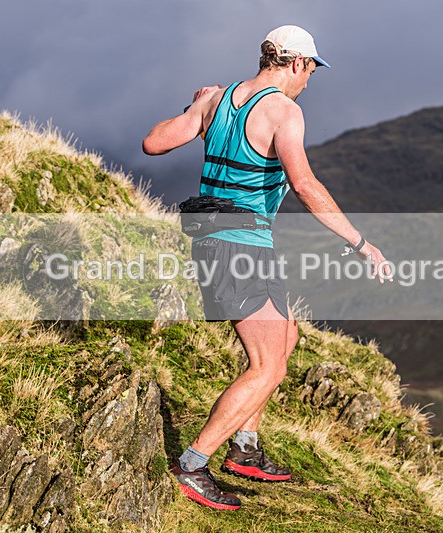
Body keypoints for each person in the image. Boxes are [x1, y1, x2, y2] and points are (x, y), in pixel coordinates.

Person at [142, 24, 391, 511]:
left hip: (223, 238)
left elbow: (154, 143)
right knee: (268, 366)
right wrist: (359, 242)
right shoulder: (284, 112)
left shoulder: (218, 98)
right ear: (297, 63)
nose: (308, 82)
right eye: (310, 73)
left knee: (287, 337)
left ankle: (246, 447)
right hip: (238, 246)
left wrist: (197, 107)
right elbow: (304, 185)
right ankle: (191, 466)